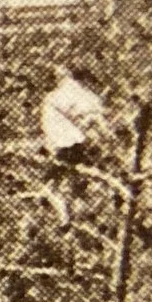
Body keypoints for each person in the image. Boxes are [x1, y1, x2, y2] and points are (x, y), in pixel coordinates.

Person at [40, 61, 114, 222]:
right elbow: (96, 109)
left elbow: (94, 109)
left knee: (53, 184)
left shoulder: (65, 93)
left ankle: (68, 213)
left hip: (68, 144)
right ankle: (69, 211)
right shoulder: (63, 94)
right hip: (69, 143)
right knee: (59, 183)